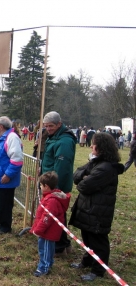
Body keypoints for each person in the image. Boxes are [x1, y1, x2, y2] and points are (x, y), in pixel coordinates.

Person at [69, 133, 124, 281]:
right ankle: (87, 261)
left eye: (94, 144)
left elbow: (85, 186)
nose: (91, 146)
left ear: (100, 148)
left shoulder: (106, 167)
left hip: (98, 211)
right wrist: (85, 176)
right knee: (87, 238)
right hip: (88, 209)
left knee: (98, 241)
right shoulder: (95, 163)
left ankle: (98, 270)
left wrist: (84, 178)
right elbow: (76, 175)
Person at [41, 111, 76, 254]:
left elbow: (61, 167)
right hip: (49, 181)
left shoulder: (64, 141)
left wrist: (53, 186)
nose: (48, 129)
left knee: (57, 215)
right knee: (54, 213)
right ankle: (61, 242)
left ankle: (60, 244)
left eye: (51, 126)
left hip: (56, 184)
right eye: (46, 126)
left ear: (59, 124)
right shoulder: (53, 137)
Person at [0, 116, 23, 234]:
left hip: (5, 179)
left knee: (4, 204)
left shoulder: (12, 138)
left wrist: (8, 175)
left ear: (1, 126)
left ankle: (5, 227)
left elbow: (17, 159)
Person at [30, 171, 70, 277]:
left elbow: (47, 218)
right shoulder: (49, 197)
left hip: (48, 232)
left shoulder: (51, 201)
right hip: (46, 231)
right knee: (47, 248)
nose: (40, 187)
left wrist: (38, 230)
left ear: (46, 186)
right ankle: (48, 263)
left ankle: (44, 267)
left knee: (45, 250)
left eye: (41, 185)